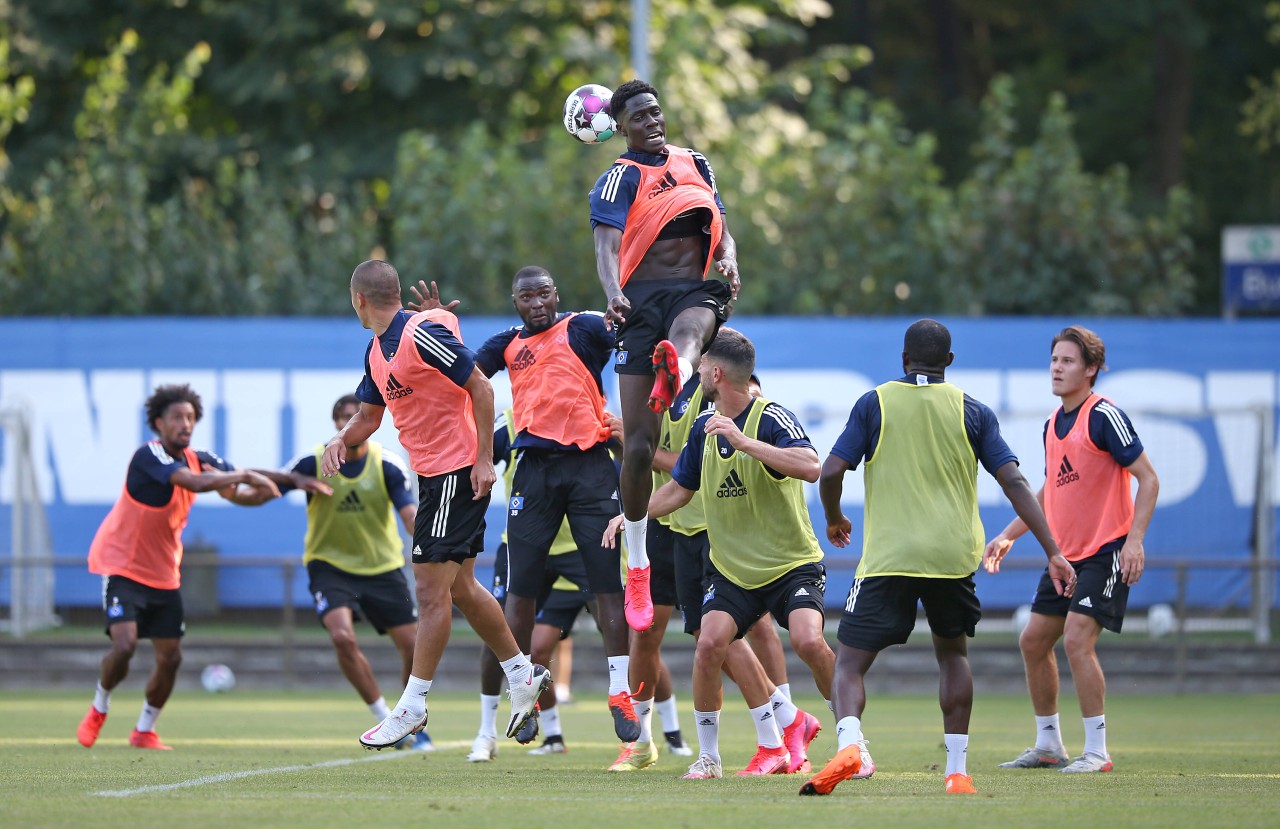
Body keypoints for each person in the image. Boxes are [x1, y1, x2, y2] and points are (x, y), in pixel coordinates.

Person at [806, 319, 1075, 797]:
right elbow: (1015, 482)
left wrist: (833, 517)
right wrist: (1053, 551)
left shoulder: (876, 403)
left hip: (891, 557)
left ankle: (849, 743)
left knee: (848, 663)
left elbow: (830, 470)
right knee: (952, 654)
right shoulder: (972, 410)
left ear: (904, 360)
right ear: (948, 362)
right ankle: (956, 772)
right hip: (952, 557)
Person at [323, 261, 548, 750]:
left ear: (358, 298)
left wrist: (485, 460)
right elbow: (368, 416)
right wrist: (341, 439)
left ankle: (413, 704)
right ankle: (522, 675)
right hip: (434, 475)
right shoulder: (378, 350)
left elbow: (482, 387)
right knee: (463, 588)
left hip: (455, 470)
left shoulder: (418, 333)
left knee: (429, 591)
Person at [608, 328, 831, 780]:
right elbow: (678, 488)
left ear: (713, 371)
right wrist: (633, 517)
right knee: (706, 641)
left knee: (781, 639)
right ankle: (705, 751)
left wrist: (744, 443)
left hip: (757, 550)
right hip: (704, 550)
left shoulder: (759, 410)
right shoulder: (687, 411)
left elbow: (809, 465)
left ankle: (819, 734)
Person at [589, 78, 741, 634]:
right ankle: (636, 562)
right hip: (639, 301)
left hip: (693, 289)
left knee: (692, 332)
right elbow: (605, 248)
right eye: (640, 117)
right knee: (636, 448)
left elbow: (719, 225)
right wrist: (613, 295)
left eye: (656, 112)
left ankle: (673, 371)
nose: (652, 121)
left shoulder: (696, 161)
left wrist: (728, 259)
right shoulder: (619, 178)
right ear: (621, 128)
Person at [469, 266, 639, 746]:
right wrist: (432, 329)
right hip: (535, 470)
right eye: (527, 296)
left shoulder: (583, 326)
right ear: (515, 301)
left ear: (556, 294)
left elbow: (630, 336)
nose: (537, 302)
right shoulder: (506, 342)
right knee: (519, 592)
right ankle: (524, 691)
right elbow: (467, 377)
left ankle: (620, 691)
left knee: (607, 583)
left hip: (590, 466)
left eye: (544, 293)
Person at [984, 325, 1159, 774]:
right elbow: (1050, 494)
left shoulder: (1104, 417)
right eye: (1054, 360)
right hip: (1068, 556)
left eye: (1067, 361)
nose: (1057, 369)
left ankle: (1097, 752)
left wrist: (1134, 541)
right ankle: (1048, 746)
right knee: (1033, 640)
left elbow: (1149, 478)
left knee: (1078, 639)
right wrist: (1008, 534)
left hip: (1107, 549)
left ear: (1091, 369)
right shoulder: (1052, 425)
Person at [76, 384, 284, 750]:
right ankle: (99, 707)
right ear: (158, 422)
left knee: (171, 657)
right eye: (176, 417)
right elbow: (196, 482)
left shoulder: (200, 457)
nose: (185, 424)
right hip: (121, 565)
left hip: (163, 575)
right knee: (124, 645)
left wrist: (267, 490)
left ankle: (144, 730)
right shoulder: (149, 455)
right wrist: (246, 476)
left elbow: (240, 495)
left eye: (190, 417)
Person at [278, 394, 432, 751]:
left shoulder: (387, 464)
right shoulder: (312, 462)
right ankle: (383, 716)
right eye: (346, 417)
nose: (353, 423)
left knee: (413, 646)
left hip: (382, 567)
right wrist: (241, 487)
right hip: (330, 566)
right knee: (343, 638)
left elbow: (409, 513)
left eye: (359, 416)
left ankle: (408, 718)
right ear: (337, 424)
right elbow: (269, 488)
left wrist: (427, 540)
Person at [467, 407, 601, 761]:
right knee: (496, 631)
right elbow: (474, 460)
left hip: (575, 548)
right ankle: (486, 732)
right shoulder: (509, 422)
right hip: (522, 545)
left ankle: (646, 723)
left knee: (621, 625)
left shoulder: (589, 412)